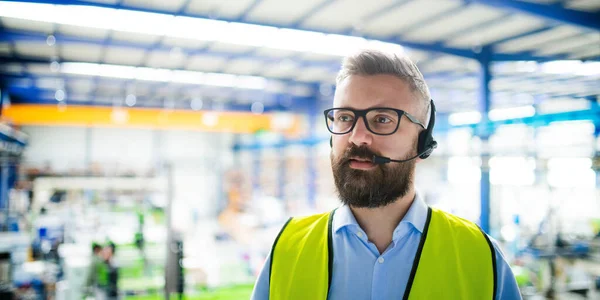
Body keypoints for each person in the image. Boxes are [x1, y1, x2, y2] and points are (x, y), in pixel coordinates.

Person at [250, 49, 522, 300]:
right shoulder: (287, 248)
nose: (358, 137)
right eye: (345, 117)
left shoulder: (480, 256)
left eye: (382, 119)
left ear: (423, 140)